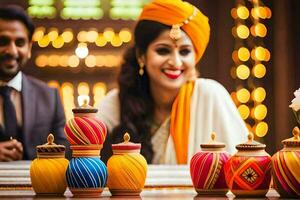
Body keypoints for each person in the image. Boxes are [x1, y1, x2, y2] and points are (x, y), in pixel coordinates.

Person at [98, 0, 248, 164]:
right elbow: (82, 142)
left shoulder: (210, 96)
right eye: (163, 50)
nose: (176, 62)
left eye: (184, 52)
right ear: (142, 56)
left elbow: (241, 167)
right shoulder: (119, 101)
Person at [0, 5, 69, 161]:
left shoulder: (50, 97)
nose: (11, 51)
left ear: (29, 48)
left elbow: (64, 155)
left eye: (20, 43)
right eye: (2, 41)